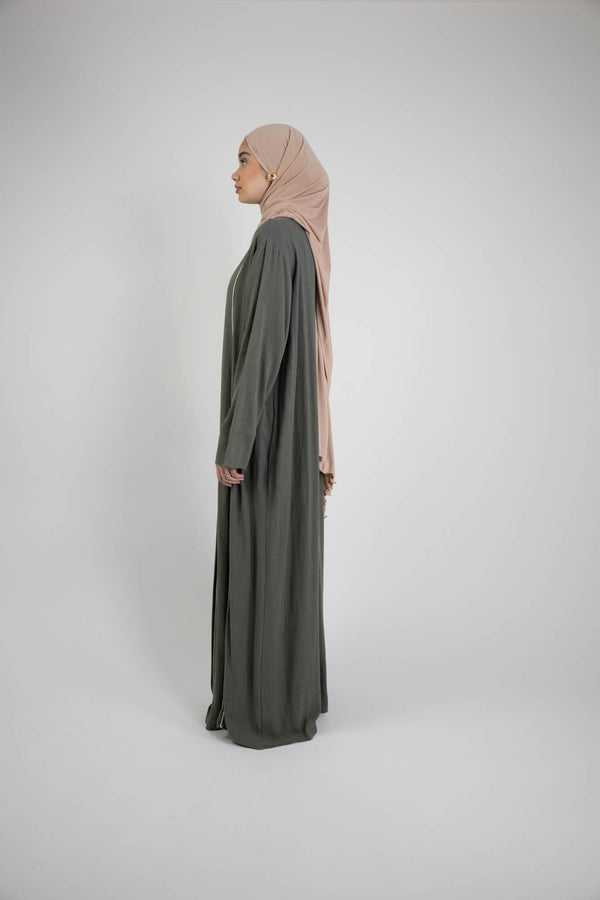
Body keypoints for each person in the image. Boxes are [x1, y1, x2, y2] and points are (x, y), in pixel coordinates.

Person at [204, 123, 336, 750]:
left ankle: (268, 711)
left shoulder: (279, 237)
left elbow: (264, 347)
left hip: (268, 438)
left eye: (244, 160)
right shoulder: (292, 236)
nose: (235, 174)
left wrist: (236, 444)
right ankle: (287, 698)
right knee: (281, 558)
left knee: (266, 556)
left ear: (276, 169)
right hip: (282, 428)